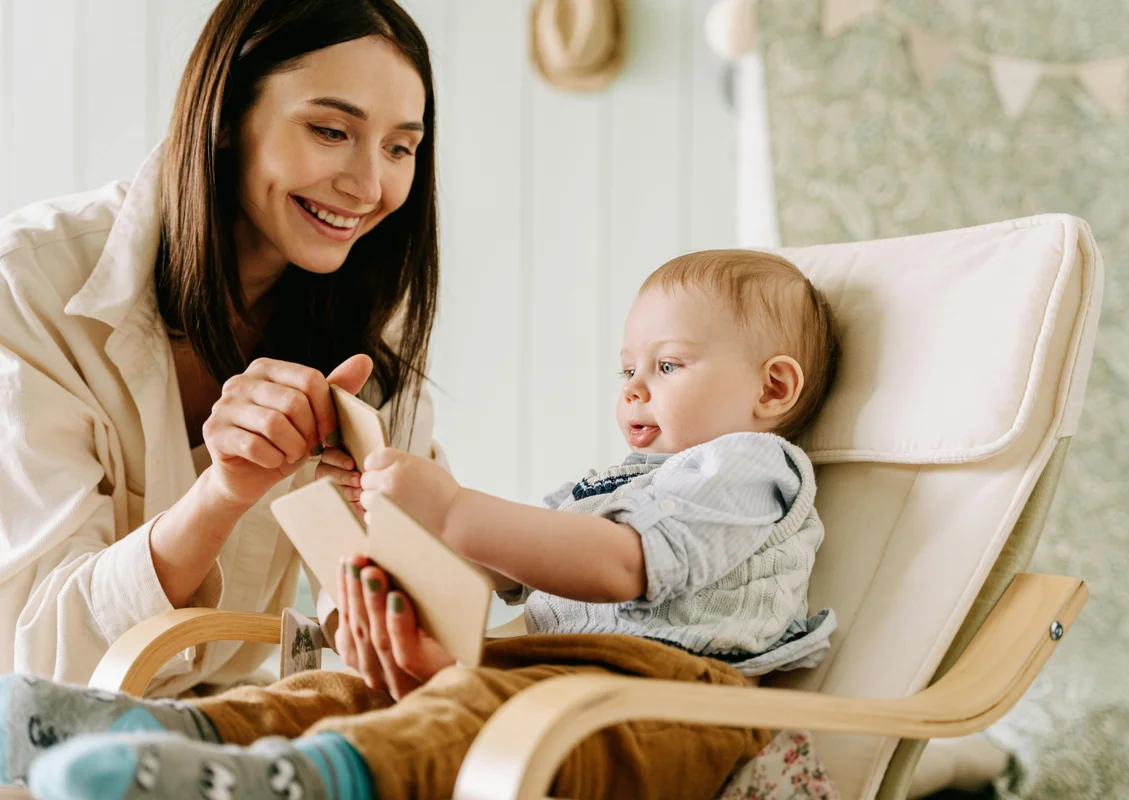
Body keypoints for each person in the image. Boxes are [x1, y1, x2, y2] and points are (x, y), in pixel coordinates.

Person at [3, 250, 843, 800]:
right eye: (627, 369)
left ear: (772, 389)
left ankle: (297, 782)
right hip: (551, 670)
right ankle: (161, 735)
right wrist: (396, 531)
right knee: (348, 689)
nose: (631, 390)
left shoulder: (751, 466)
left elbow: (623, 565)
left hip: (672, 700)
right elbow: (507, 565)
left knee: (459, 718)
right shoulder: (618, 478)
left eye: (666, 366)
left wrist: (450, 507)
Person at [0, 0, 444, 691]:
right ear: (228, 116)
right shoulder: (29, 283)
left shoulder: (364, 340)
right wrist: (222, 495)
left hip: (219, 737)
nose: (369, 186)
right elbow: (43, 661)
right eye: (332, 131)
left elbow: (406, 645)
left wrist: (379, 553)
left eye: (399, 147)